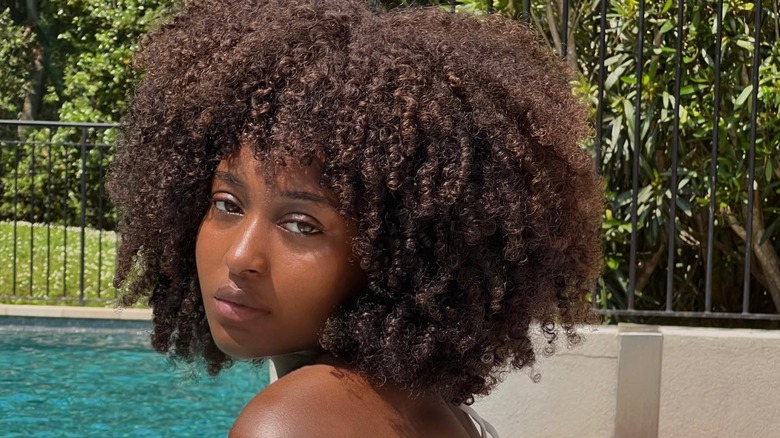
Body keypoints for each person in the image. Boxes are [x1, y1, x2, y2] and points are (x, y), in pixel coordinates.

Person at [107, 0, 604, 436]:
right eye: (227, 206)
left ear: (398, 258)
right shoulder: (439, 412)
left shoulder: (293, 423)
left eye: (302, 225)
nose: (240, 257)